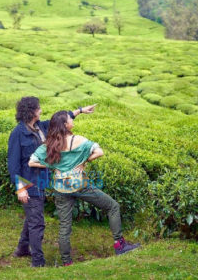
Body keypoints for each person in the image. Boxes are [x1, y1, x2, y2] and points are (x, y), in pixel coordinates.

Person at [28, 110, 140, 266]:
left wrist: (53, 166)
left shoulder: (49, 144)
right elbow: (99, 152)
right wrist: (81, 163)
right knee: (113, 206)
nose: (72, 121)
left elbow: (32, 162)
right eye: (70, 119)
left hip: (60, 186)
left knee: (64, 226)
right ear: (65, 125)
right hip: (79, 184)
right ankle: (120, 245)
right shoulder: (77, 140)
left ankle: (67, 262)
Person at [7, 97, 95, 267]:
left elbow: (60, 120)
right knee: (37, 222)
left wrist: (81, 110)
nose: (41, 110)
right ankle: (38, 262)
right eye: (38, 108)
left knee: (33, 216)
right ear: (31, 111)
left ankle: (22, 248)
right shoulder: (17, 134)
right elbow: (13, 164)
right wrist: (20, 188)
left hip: (41, 180)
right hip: (28, 183)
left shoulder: (41, 126)